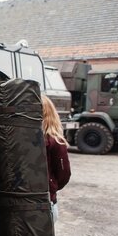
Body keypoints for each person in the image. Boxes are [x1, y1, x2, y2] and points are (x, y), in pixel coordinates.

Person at [41, 94, 71, 222]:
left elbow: (63, 176)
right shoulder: (56, 142)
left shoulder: (52, 142)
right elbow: (64, 175)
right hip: (48, 200)